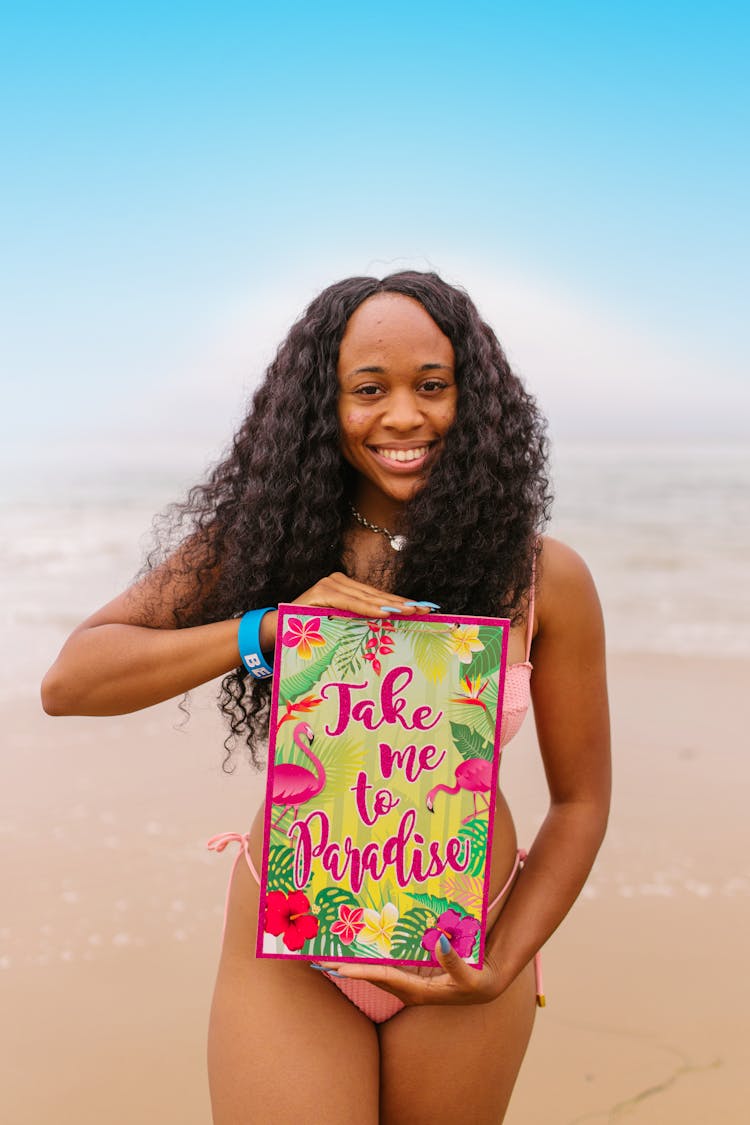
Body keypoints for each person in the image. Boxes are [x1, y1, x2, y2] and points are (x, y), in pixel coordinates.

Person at [41, 271, 610, 1124]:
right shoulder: (262, 543)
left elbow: (582, 801)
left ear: (473, 397)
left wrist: (502, 960)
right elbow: (72, 679)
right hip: (292, 941)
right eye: (368, 390)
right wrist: (264, 629)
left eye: (432, 386)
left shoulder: (540, 575)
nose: (404, 417)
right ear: (322, 406)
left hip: (465, 936)